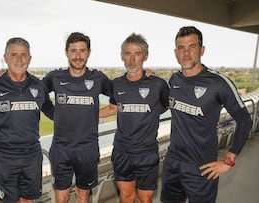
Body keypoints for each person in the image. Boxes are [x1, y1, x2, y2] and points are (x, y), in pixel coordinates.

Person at [160, 26, 253, 203]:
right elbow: (166, 103)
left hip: (201, 167)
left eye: (192, 46)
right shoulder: (174, 79)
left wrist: (228, 160)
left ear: (202, 50)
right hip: (172, 162)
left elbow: (244, 120)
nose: (186, 53)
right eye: (181, 47)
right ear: (175, 52)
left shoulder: (218, 83)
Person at [0, 37, 54, 203]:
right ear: (5, 58)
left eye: (23, 55)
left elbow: (54, 113)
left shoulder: (38, 86)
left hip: (31, 156)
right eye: (14, 55)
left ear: (30, 58)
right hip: (1, 157)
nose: (19, 60)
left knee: (28, 200)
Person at [42, 32, 112, 203]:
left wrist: (92, 114)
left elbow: (120, 98)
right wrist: (54, 113)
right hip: (61, 149)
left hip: (87, 149)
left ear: (89, 52)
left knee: (83, 195)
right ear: (66, 52)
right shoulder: (54, 77)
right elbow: (35, 94)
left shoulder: (98, 78)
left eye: (82, 51)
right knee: (62, 197)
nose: (78, 56)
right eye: (73, 51)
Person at [99, 33, 169, 203]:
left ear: (145, 56)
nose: (132, 59)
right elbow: (113, 108)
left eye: (137, 54)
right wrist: (79, 115)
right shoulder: (116, 84)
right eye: (128, 53)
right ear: (122, 55)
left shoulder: (158, 84)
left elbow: (169, 105)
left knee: (145, 199)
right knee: (126, 197)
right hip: (122, 151)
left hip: (147, 152)